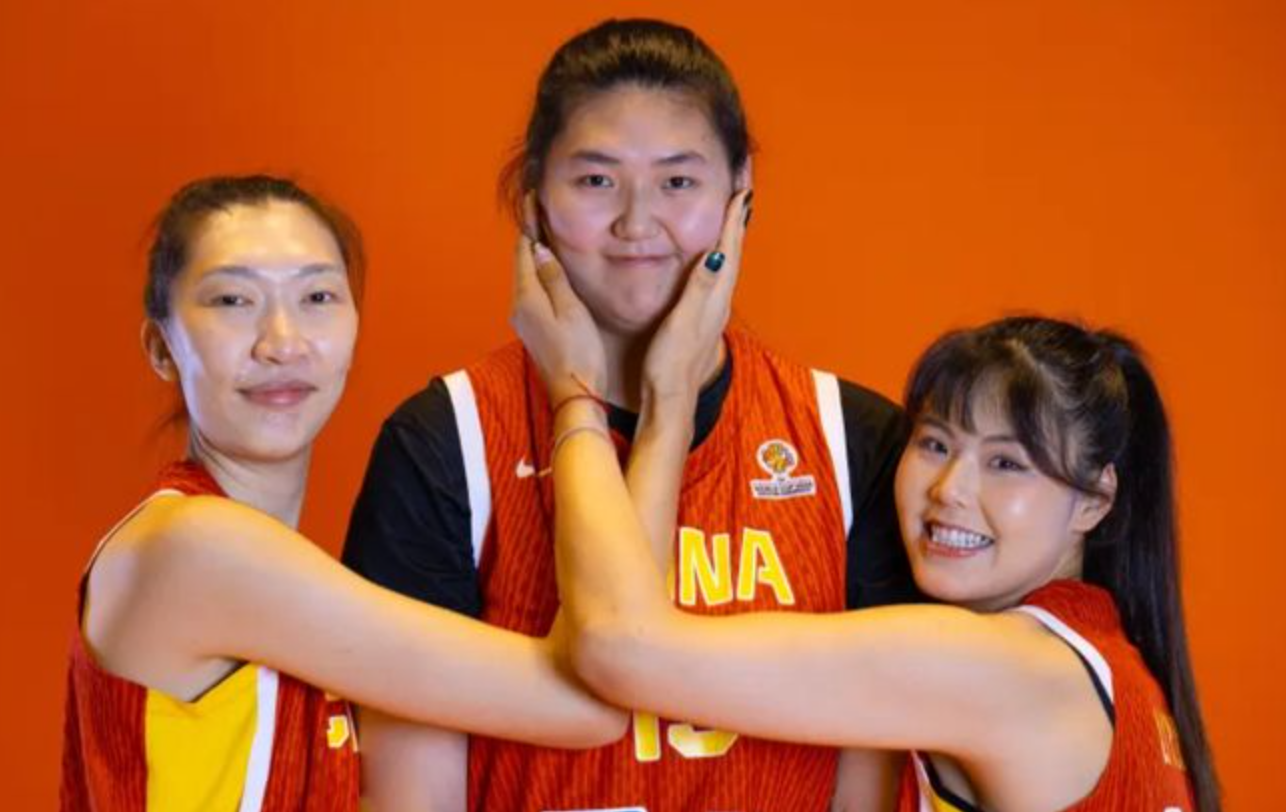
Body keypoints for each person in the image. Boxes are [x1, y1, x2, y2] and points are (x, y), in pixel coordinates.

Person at [343, 17, 916, 812]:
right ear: (535, 197)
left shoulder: (851, 441)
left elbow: (872, 772)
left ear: (740, 191)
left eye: (678, 183)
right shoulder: (445, 442)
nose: (637, 225)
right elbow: (413, 793)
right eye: (595, 181)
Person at [513, 232, 1220, 811]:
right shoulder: (1113, 671)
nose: (949, 490)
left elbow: (620, 649)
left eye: (1007, 464)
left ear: (1096, 500)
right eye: (935, 444)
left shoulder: (1000, 668)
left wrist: (589, 393)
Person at [59, 175, 626, 812]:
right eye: (232, 300)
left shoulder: (247, 561)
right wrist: (648, 403)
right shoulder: (195, 549)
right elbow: (597, 697)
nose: (283, 342)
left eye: (318, 296)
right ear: (162, 347)